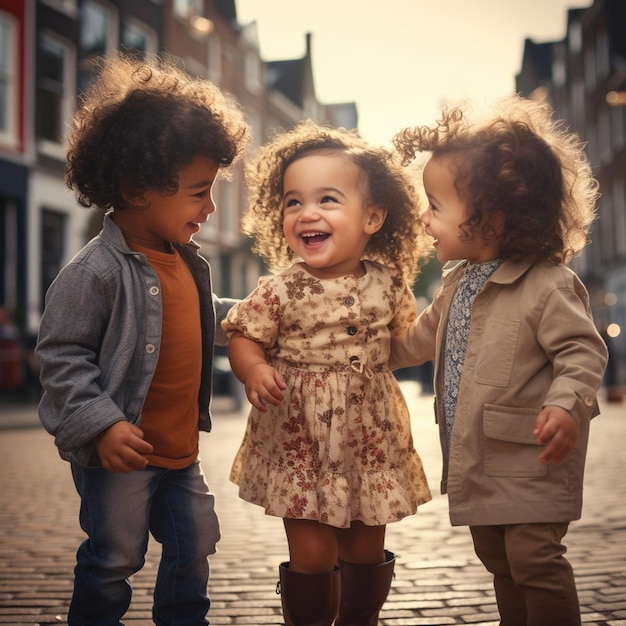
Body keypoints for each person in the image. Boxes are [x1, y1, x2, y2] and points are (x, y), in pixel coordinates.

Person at [35, 53, 249, 626]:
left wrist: (259, 317)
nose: (209, 207)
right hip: (121, 457)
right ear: (137, 187)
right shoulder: (93, 273)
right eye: (199, 192)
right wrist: (101, 423)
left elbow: (207, 317)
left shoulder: (185, 261)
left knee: (196, 543)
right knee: (113, 558)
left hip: (180, 452)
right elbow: (61, 356)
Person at [390, 96, 608, 626]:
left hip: (530, 455)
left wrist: (565, 405)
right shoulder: (456, 283)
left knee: (533, 559)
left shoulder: (548, 284)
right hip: (475, 459)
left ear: (491, 220)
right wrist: (350, 345)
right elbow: (414, 342)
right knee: (499, 561)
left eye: (436, 206)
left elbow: (581, 352)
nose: (424, 217)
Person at [222, 120, 432, 626]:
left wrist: (446, 326)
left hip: (369, 439)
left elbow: (404, 343)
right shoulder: (281, 289)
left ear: (373, 218)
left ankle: (360, 618)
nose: (306, 213)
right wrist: (252, 370)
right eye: (294, 202)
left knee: (364, 548)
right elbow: (244, 334)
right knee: (312, 554)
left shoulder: (389, 285)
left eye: (327, 200)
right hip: (302, 437)